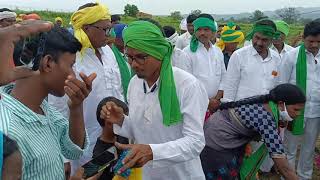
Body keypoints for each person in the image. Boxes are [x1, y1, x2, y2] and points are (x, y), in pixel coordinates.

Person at [99, 20, 208, 180]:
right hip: (147, 174)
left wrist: (152, 152)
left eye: (141, 57)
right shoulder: (135, 83)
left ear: (159, 51)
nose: (134, 64)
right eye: (129, 57)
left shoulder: (187, 85)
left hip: (181, 175)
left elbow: (195, 142)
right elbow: (143, 130)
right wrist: (122, 121)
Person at [0, 25, 95, 180]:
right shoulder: (9, 132)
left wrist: (76, 107)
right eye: (71, 65)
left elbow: (73, 150)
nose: (73, 74)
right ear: (48, 63)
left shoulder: (40, 107)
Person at [48, 3, 127, 175]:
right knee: (87, 176)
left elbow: (118, 93)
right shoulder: (71, 57)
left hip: (113, 137)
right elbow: (57, 109)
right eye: (105, 29)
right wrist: (64, 158)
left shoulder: (108, 52)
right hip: (82, 145)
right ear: (86, 28)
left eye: (110, 29)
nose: (110, 34)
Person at [201, 83, 305, 180]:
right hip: (217, 144)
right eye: (296, 109)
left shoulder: (268, 104)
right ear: (281, 104)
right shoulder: (266, 117)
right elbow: (283, 166)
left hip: (220, 137)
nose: (299, 114)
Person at [280, 19, 320, 180]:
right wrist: (283, 112)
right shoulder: (291, 56)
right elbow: (281, 85)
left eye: (319, 41)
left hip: (316, 111)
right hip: (294, 111)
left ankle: (305, 176)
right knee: (289, 148)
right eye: (311, 41)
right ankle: (287, 177)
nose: (315, 45)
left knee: (309, 148)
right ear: (303, 38)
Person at [222, 18, 281, 102]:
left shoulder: (276, 58)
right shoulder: (239, 55)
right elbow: (230, 86)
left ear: (271, 40)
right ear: (252, 35)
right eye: (257, 38)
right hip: (242, 109)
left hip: (268, 109)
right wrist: (228, 108)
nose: (259, 43)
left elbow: (277, 82)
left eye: (264, 40)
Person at [181, 17, 226, 116]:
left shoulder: (217, 51)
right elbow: (186, 83)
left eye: (206, 30)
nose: (202, 33)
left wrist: (217, 98)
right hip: (195, 105)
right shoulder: (187, 52)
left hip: (217, 104)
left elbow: (223, 75)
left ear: (213, 32)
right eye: (199, 29)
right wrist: (207, 102)